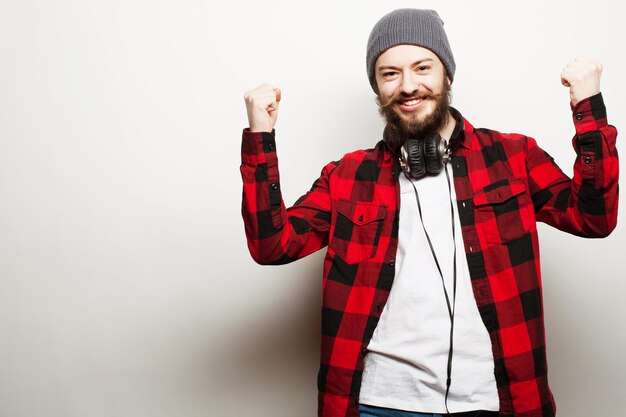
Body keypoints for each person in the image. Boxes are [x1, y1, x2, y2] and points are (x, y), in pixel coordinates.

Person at [240, 8, 618, 417]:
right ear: (377, 87)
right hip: (377, 403)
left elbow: (593, 218)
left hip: (494, 401)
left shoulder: (513, 156)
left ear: (446, 75)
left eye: (422, 67)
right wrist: (261, 135)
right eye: (390, 73)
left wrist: (588, 106)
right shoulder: (346, 175)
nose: (408, 86)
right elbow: (271, 245)